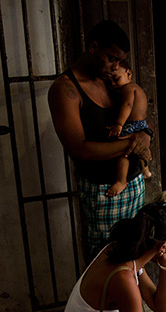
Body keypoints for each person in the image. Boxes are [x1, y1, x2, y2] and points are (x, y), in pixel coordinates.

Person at [48, 20, 153, 262]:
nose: (116, 66)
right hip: (103, 190)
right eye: (111, 58)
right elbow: (79, 150)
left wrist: (145, 134)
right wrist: (131, 144)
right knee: (106, 258)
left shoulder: (111, 80)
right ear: (93, 47)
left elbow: (138, 117)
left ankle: (131, 299)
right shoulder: (65, 90)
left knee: (135, 252)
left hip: (133, 181)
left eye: (119, 61)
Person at [106, 60, 152, 197]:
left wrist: (119, 124)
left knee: (124, 153)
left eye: (116, 79)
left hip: (132, 125)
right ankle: (145, 171)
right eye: (111, 82)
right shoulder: (137, 88)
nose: (114, 84)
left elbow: (128, 105)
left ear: (128, 74)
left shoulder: (128, 88)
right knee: (141, 150)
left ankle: (121, 180)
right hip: (141, 124)